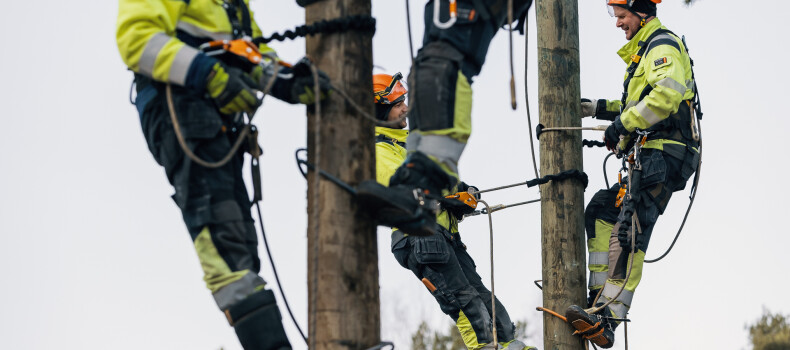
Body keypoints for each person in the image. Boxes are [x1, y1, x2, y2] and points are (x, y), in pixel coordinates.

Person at [116, 0, 330, 349]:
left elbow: (250, 54)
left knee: (241, 245)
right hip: (181, 111)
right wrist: (209, 73)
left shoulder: (232, 3)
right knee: (227, 252)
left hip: (219, 125)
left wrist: (287, 82)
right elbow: (136, 39)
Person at [565, 0, 701, 348]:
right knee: (601, 210)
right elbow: (636, 104)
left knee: (629, 230)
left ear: (642, 12)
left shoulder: (662, 45)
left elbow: (666, 97)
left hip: (665, 154)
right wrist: (598, 110)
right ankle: (598, 298)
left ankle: (607, 317)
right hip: (652, 155)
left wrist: (621, 125)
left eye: (621, 15)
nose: (618, 23)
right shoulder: (645, 52)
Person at [372, 73, 533, 350]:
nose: (405, 108)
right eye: (398, 103)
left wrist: (461, 191)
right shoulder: (377, 149)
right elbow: (406, 186)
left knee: (484, 298)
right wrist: (447, 196)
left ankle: (509, 345)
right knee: (463, 301)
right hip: (418, 235)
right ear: (379, 109)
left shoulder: (409, 145)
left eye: (404, 101)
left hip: (442, 234)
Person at [357, 0, 534, 236]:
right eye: (397, 104)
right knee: (425, 77)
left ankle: (425, 189)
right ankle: (418, 189)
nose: (405, 109)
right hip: (441, 55)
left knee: (438, 80)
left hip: (452, 61)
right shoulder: (387, 145)